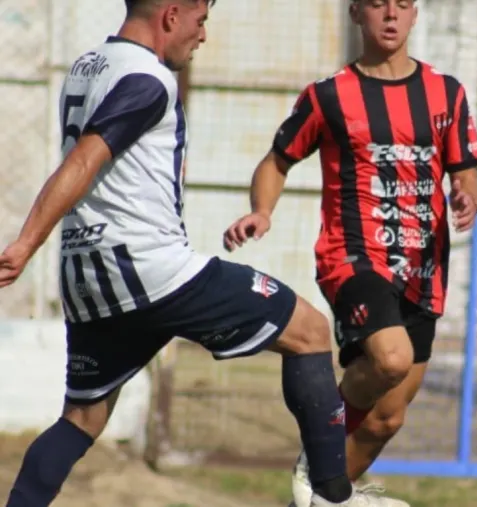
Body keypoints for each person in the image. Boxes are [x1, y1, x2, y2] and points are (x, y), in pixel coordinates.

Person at [0, 1, 390, 506]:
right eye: (200, 21)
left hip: (88, 274)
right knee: (310, 331)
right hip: (151, 269)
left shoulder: (86, 66)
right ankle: (333, 497)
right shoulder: (148, 79)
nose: (202, 36)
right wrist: (26, 242)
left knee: (81, 418)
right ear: (170, 16)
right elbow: (84, 160)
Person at [222, 0, 477, 504]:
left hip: (424, 270)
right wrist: (262, 211)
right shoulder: (329, 96)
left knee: (387, 417)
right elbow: (277, 161)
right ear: (356, 13)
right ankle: (320, 448)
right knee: (391, 360)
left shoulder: (446, 92)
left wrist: (467, 195)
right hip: (353, 258)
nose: (391, 15)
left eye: (402, 4)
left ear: (415, 14)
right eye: (378, 4)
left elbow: (466, 172)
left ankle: (324, 498)